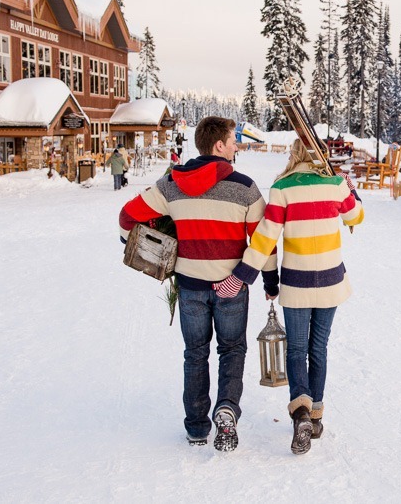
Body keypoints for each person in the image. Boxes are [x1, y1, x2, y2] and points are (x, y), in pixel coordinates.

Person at [118, 116, 278, 452]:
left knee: (195, 354)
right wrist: (267, 279)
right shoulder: (245, 187)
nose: (236, 145)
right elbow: (264, 240)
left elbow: (128, 216)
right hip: (231, 287)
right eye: (233, 140)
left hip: (190, 285)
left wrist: (141, 244)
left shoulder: (171, 185)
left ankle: (195, 427)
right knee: (232, 349)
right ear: (219, 145)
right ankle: (227, 410)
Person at [229, 139, 364, 455]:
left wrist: (263, 279)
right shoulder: (335, 185)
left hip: (297, 282)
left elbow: (265, 240)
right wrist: (350, 189)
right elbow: (356, 217)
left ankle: (300, 409)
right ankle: (315, 418)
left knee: (297, 348)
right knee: (319, 346)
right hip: (331, 280)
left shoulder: (282, 188)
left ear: (294, 156)